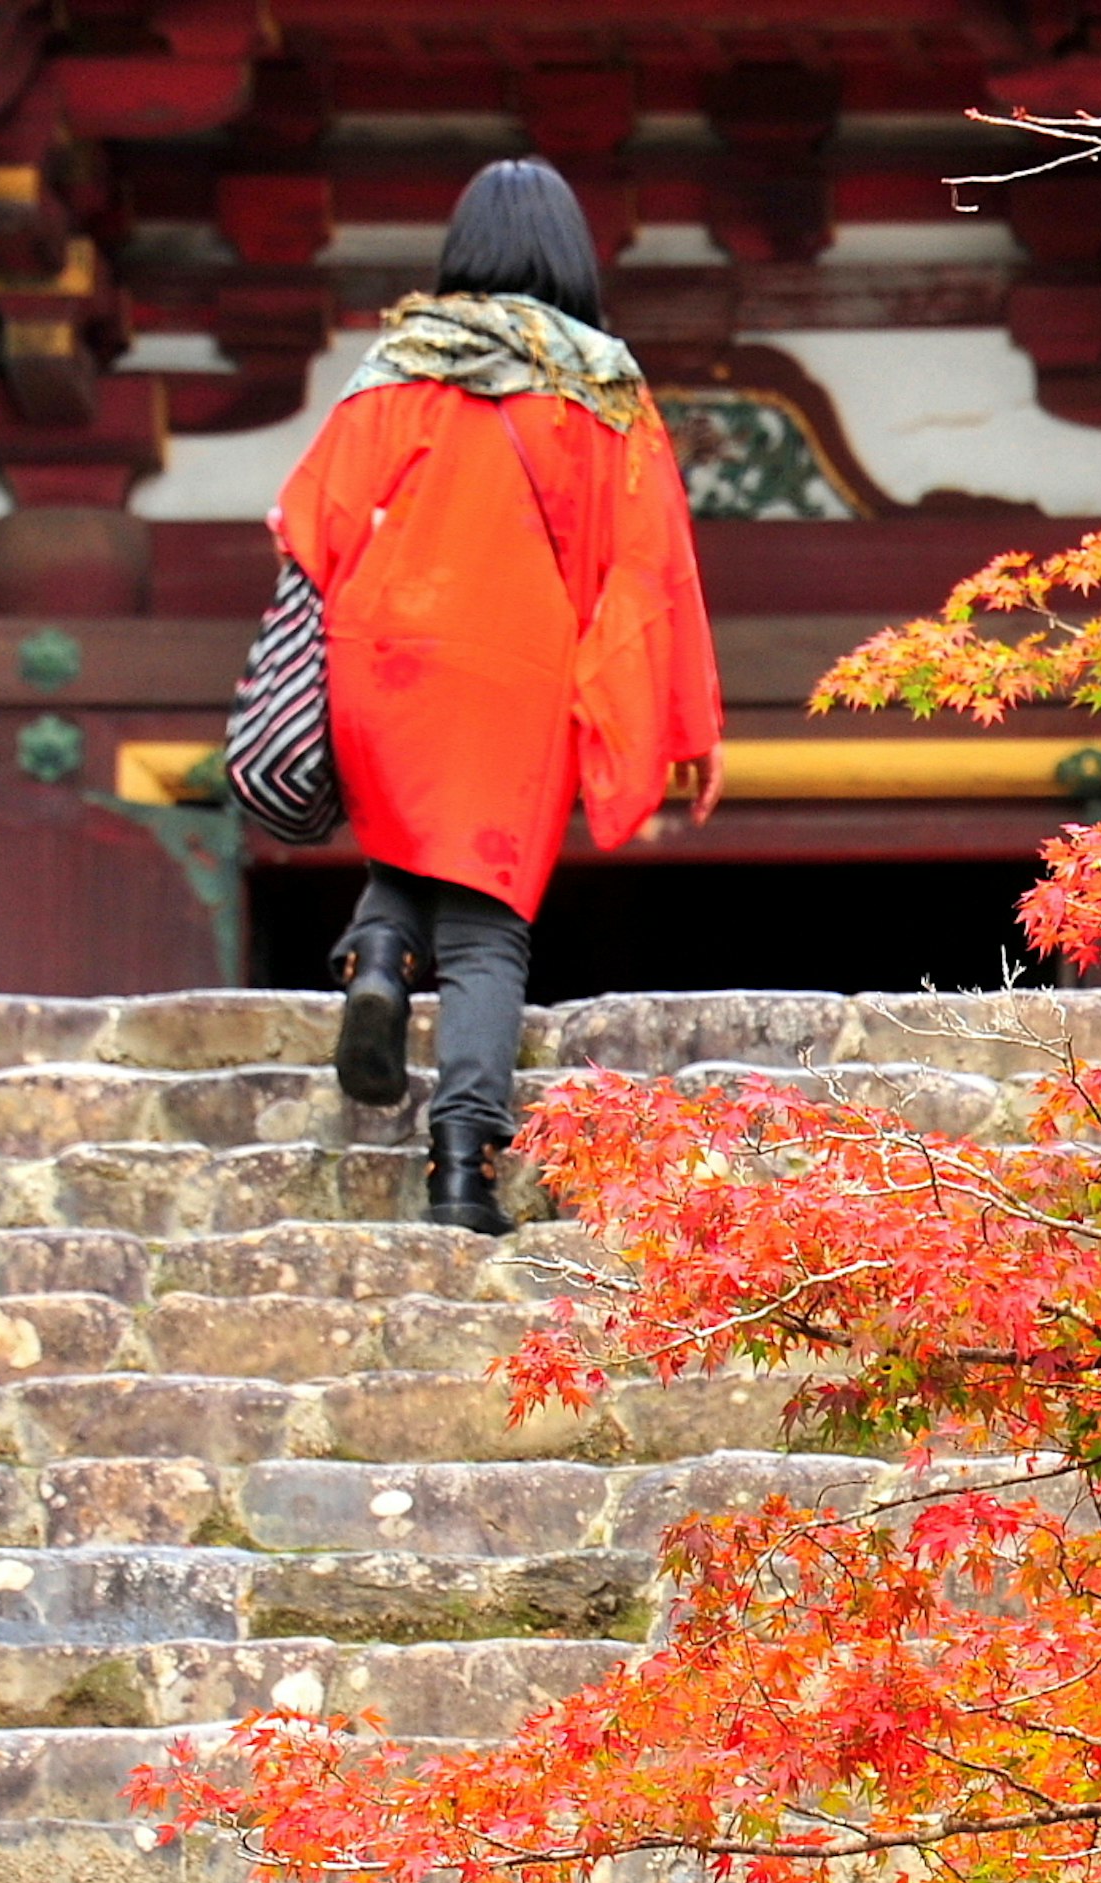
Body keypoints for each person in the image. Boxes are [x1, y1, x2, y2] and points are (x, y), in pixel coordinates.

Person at [275, 158, 725, 1235]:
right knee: (484, 927)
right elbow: (651, 567)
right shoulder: (606, 388)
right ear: (570, 250)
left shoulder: (397, 364)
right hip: (516, 668)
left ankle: (378, 954)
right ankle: (461, 1172)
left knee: (404, 843)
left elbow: (310, 520)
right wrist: (680, 720)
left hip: (387, 649)